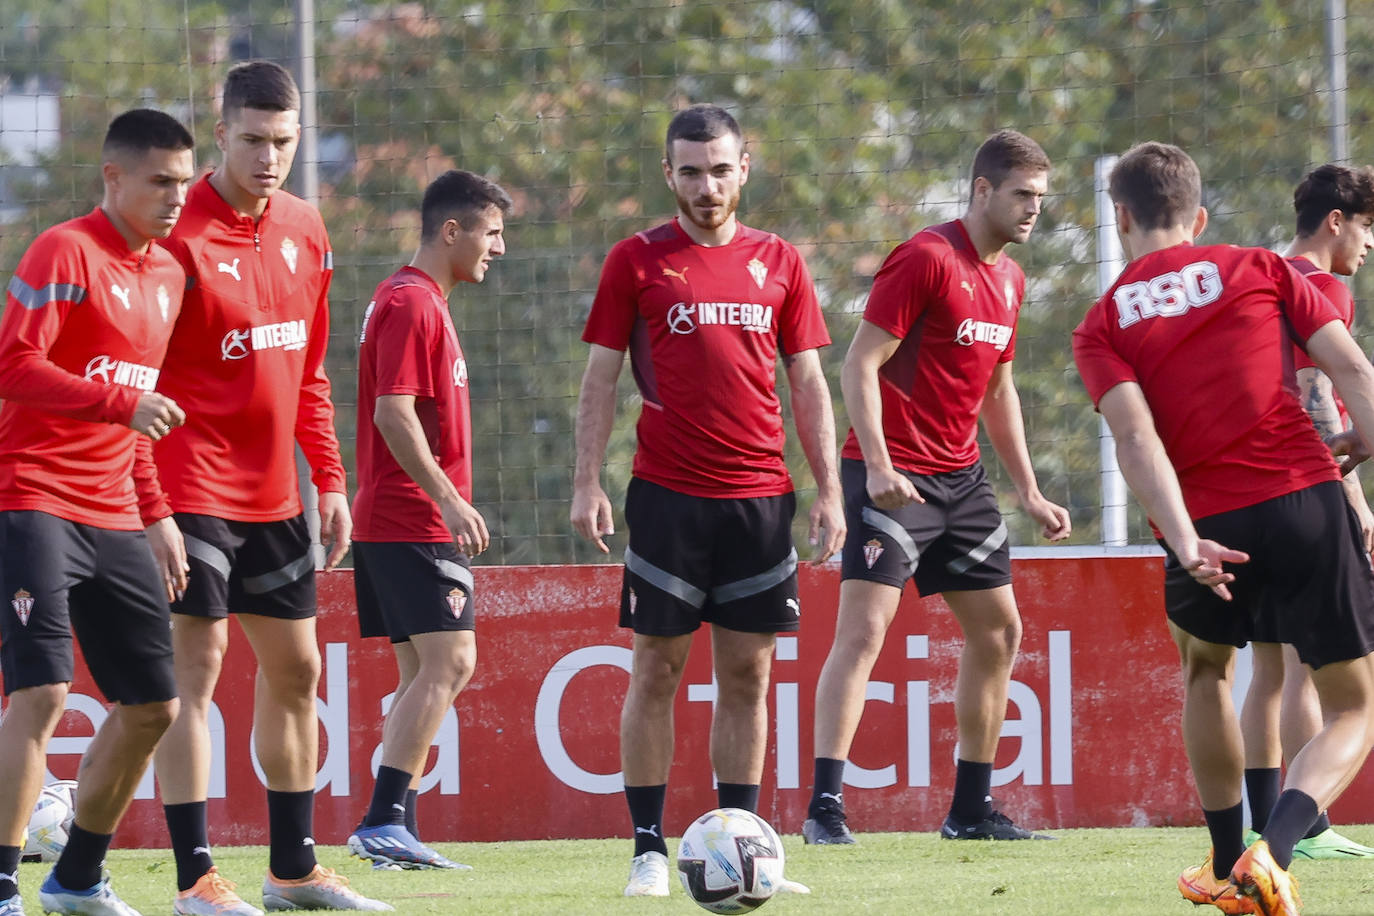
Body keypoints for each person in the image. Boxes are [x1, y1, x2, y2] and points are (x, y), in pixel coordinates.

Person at [1073, 141, 1374, 916]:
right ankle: (1269, 856)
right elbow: (1352, 372)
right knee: (1354, 707)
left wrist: (1184, 540)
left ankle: (1220, 860)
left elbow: (1136, 442)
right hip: (1305, 498)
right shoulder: (1258, 267)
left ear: (1120, 218)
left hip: (1204, 517)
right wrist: (1368, 433)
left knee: (1206, 674)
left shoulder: (1101, 323)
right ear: (1199, 216)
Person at [571, 103, 844, 898]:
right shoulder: (636, 259)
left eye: (720, 169)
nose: (706, 185)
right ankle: (649, 849)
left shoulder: (781, 261)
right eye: (690, 170)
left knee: (748, 678)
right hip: (665, 500)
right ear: (669, 175)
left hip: (761, 501)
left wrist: (829, 490)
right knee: (654, 669)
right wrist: (588, 481)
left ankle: (744, 845)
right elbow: (599, 378)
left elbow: (809, 382)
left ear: (744, 168)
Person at [146, 61, 389, 914]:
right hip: (188, 488)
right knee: (194, 674)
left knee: (297, 670)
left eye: (284, 141)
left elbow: (310, 369)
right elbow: (135, 385)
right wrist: (151, 507)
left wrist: (329, 475)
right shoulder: (174, 237)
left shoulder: (307, 228)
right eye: (252, 139)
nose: (269, 157)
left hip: (276, 495)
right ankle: (195, 880)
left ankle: (292, 872)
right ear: (220, 134)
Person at [802, 130, 1071, 846]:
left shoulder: (1011, 280)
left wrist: (1030, 490)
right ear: (982, 190)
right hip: (891, 478)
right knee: (862, 634)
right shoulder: (925, 257)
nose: (1033, 210)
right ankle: (824, 809)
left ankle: (969, 812)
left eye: (1041, 198)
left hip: (963, 480)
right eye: (1022, 195)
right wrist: (883, 465)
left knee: (1000, 631)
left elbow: (999, 390)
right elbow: (859, 364)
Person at [0, 109, 194, 916]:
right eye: (159, 181)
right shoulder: (64, 250)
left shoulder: (171, 275)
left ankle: (77, 877)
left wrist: (157, 515)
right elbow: (13, 365)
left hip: (115, 512)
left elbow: (139, 417)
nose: (176, 197)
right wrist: (120, 404)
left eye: (184, 182)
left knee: (155, 705)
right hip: (33, 495)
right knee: (42, 694)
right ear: (112, 178)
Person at [344, 169, 511, 870]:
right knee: (453, 660)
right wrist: (447, 496)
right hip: (410, 517)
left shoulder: (412, 299)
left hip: (392, 517)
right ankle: (382, 819)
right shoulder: (413, 303)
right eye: (492, 232)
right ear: (453, 231)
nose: (498, 248)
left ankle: (394, 828)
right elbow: (393, 412)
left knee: (420, 668)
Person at [1238, 163, 1374, 861]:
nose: (1369, 245)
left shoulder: (1259, 281)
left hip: (1244, 490)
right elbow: (1318, 390)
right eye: (1368, 227)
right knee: (1302, 668)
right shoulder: (1320, 289)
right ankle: (1306, 827)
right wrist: (1353, 497)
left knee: (1266, 669)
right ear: (1335, 222)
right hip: (1303, 489)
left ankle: (1262, 819)